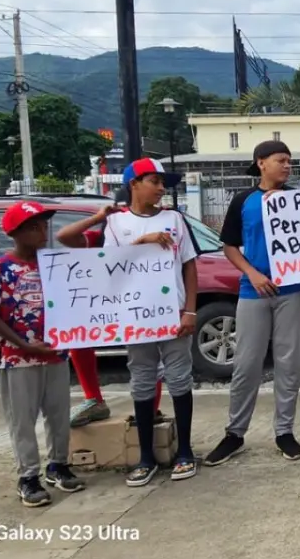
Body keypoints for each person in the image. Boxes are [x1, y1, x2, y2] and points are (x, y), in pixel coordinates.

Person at [62, 158, 198, 485]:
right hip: (135, 316)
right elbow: (112, 266)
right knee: (141, 378)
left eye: (164, 182)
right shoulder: (116, 225)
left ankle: (185, 452)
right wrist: (142, 242)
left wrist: (190, 310)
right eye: (154, 180)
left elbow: (189, 266)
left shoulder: (175, 219)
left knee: (179, 377)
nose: (162, 188)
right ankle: (145, 456)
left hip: (172, 312)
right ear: (134, 184)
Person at [205, 140, 300, 465]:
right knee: (246, 364)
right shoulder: (243, 200)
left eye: (290, 161)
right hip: (254, 291)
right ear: (261, 163)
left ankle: (284, 432)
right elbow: (230, 247)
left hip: (293, 290)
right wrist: (252, 274)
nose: (287, 165)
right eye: (281, 160)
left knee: (288, 364)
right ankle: (235, 433)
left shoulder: (298, 199)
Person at [0, 201, 86, 507]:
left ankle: (59, 465)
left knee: (59, 414)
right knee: (22, 419)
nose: (42, 231)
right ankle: (28, 476)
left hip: (56, 353)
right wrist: (23, 344)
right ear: (16, 232)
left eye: (44, 225)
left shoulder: (53, 265)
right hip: (18, 357)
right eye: (34, 226)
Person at [57, 190, 165, 428]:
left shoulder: (155, 231)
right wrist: (98, 217)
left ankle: (151, 407)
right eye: (120, 210)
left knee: (147, 355)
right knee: (80, 338)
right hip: (104, 304)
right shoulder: (99, 236)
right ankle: (93, 399)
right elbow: (64, 236)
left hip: (139, 304)